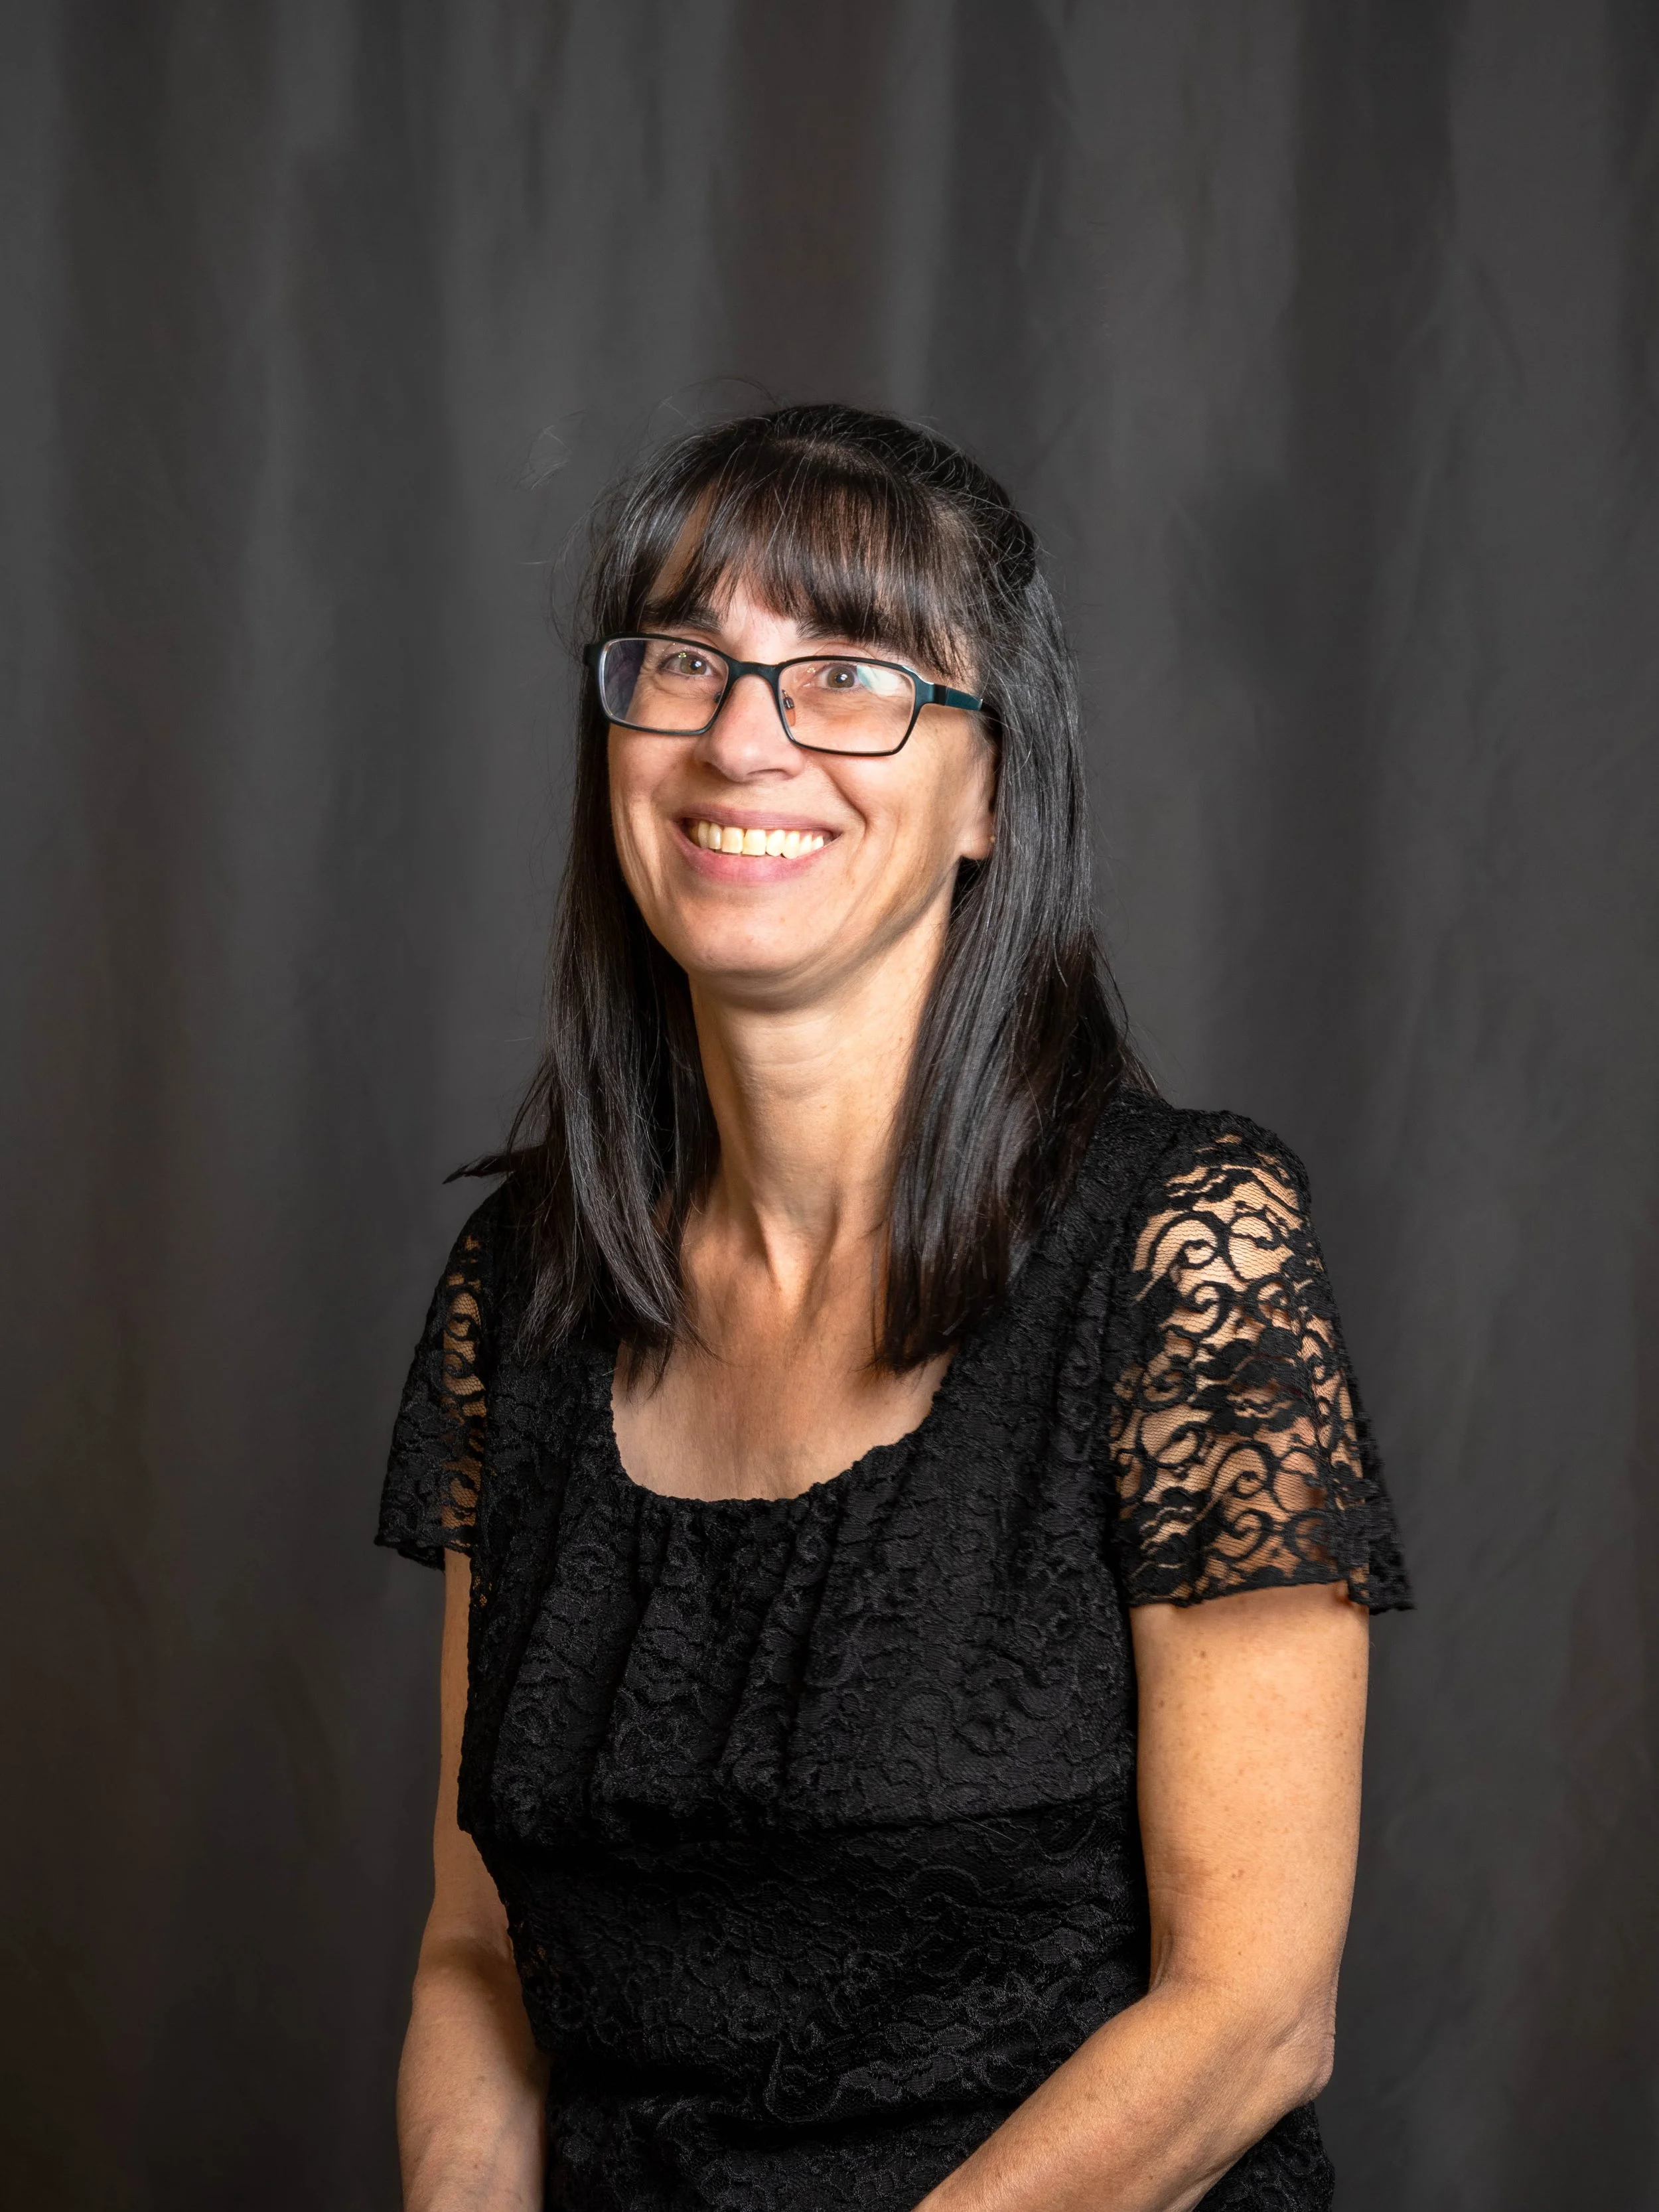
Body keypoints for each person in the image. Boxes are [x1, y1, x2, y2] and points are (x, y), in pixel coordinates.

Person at [377, 402, 1410, 2212]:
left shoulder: (1183, 1247)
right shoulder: (525, 1291)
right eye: (684, 660)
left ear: (993, 790)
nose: (737, 740)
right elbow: (477, 1949)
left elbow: (1249, 2013)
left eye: (848, 673)